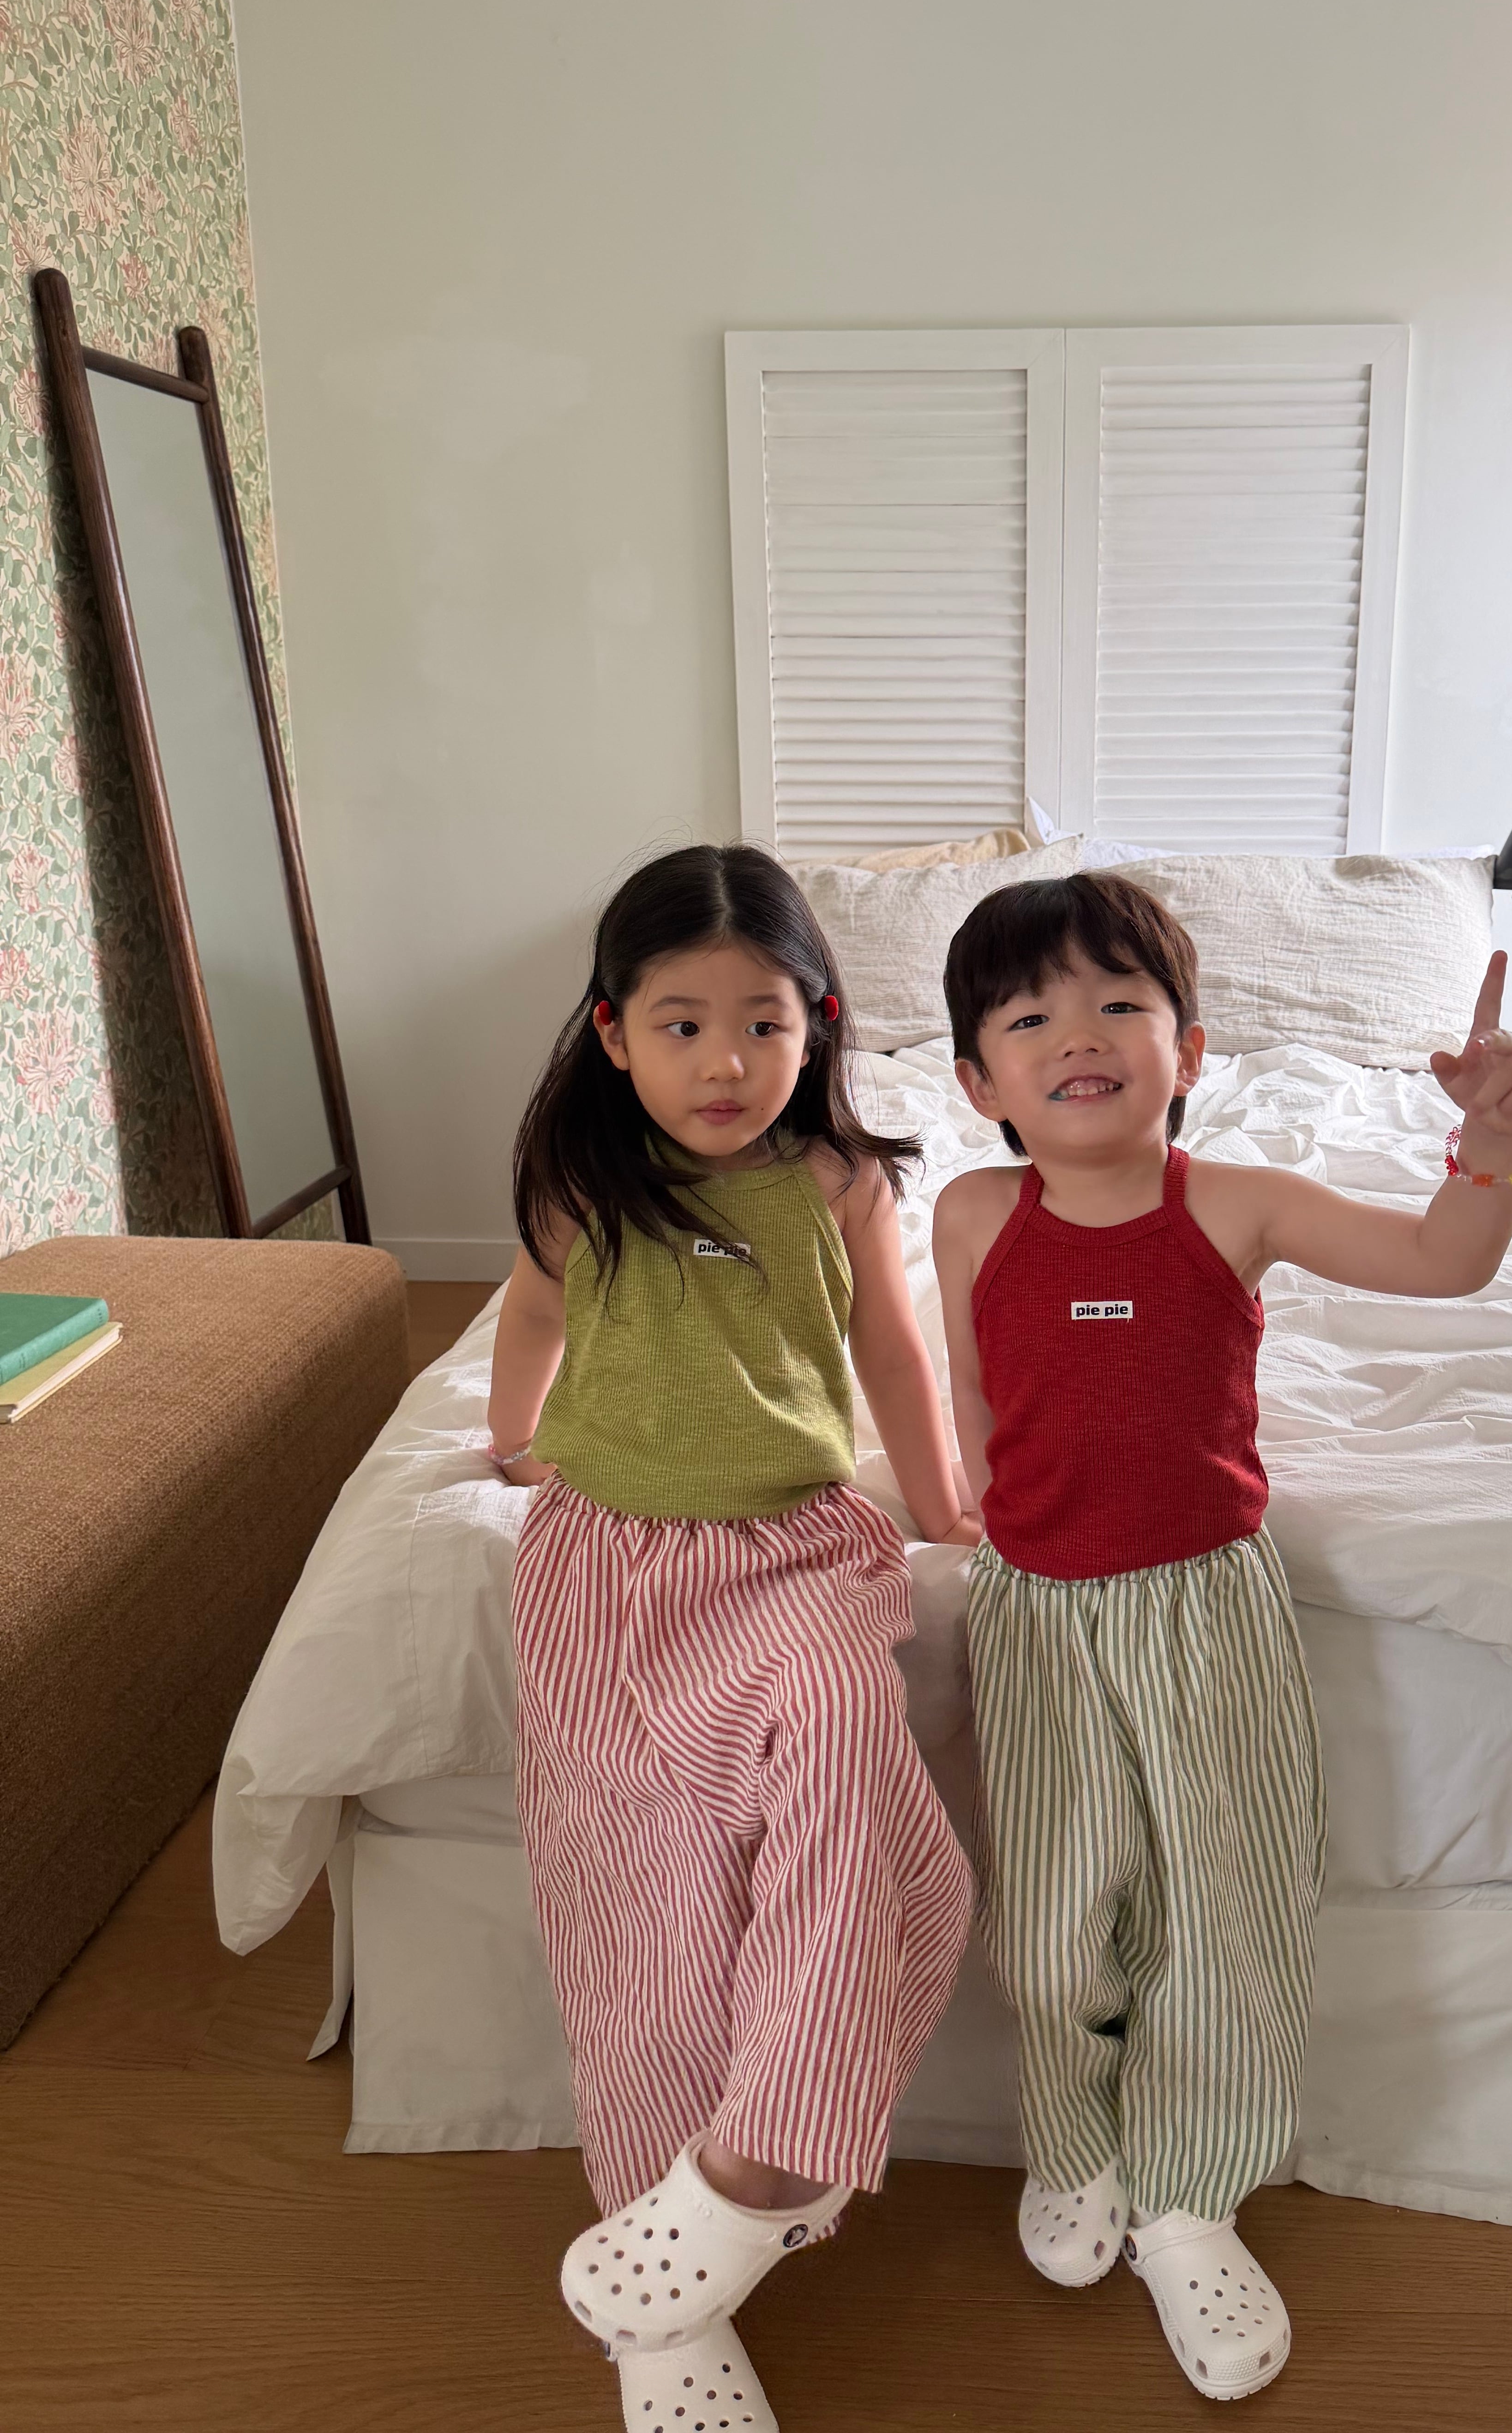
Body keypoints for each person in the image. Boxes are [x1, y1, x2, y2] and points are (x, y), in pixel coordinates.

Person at [932, 870, 1512, 2402]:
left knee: (1225, 1908)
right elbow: (977, 1392)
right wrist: (980, 1523)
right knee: (1053, 1918)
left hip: (1204, 1609)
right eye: (1030, 1017)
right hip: (1037, 1617)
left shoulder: (1235, 1203)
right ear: (977, 1081)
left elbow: (1443, 1260)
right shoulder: (970, 1214)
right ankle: (1072, 2146)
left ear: (1189, 1051)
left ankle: (1189, 2196)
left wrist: (1490, 1142)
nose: (1079, 1035)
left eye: (1118, 1004)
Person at [489, 842, 977, 2433]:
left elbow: (893, 1355)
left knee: (843, 1736)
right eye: (681, 1025)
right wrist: (512, 1440)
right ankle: (671, 2301)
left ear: (816, 1025)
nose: (724, 1063)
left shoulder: (839, 1181)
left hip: (795, 1551)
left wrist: (943, 1508)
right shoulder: (587, 1178)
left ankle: (751, 2174)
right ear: (613, 1032)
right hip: (613, 1565)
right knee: (644, 1890)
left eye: (763, 1024)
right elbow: (533, 1314)